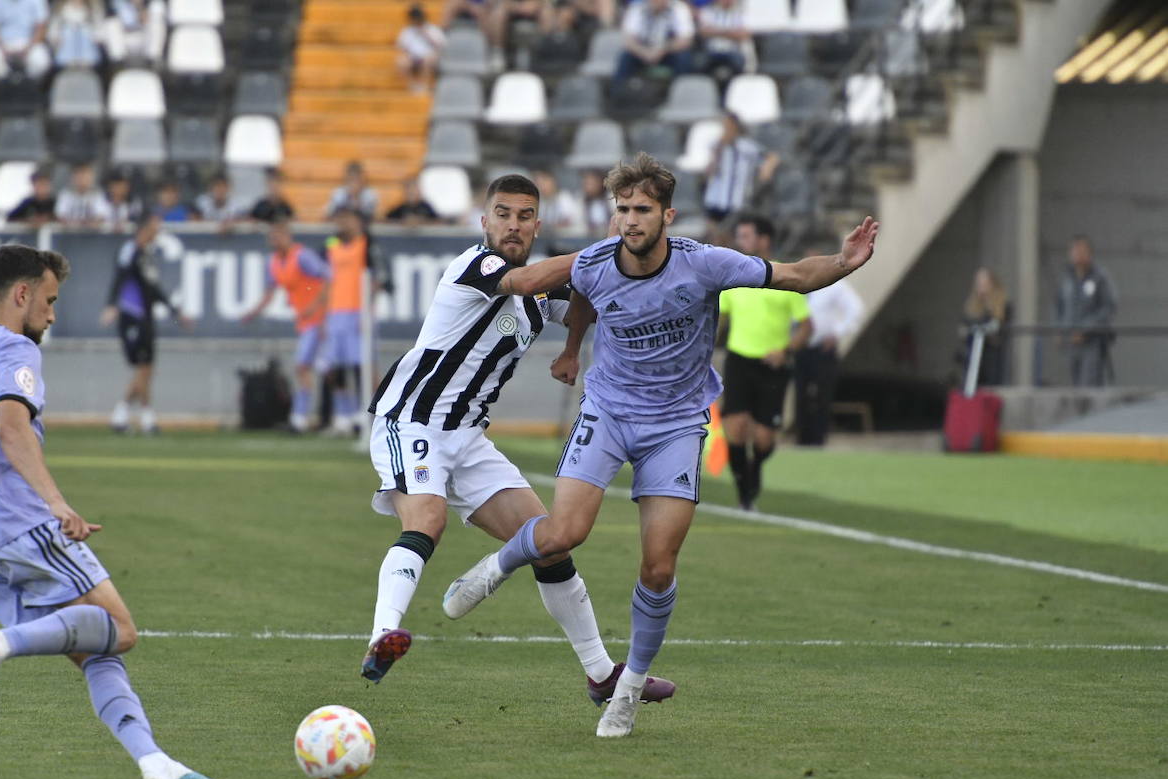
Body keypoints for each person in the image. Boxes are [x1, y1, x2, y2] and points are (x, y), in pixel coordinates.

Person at [443, 154, 877, 737]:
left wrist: (845, 262)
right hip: (609, 411)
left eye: (641, 210)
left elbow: (795, 275)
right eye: (621, 209)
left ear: (667, 214)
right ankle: (494, 568)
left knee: (658, 565)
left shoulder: (705, 264)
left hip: (675, 424)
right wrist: (569, 346)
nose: (629, 220)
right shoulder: (595, 261)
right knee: (563, 533)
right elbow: (531, 282)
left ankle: (626, 690)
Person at [0, 243, 226, 779]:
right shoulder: (14, 348)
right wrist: (58, 504)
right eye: (49, 299)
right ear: (21, 294)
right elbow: (12, 429)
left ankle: (155, 763)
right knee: (123, 630)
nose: (52, 314)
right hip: (18, 521)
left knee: (95, 651)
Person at [361, 173, 674, 713]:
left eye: (524, 216)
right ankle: (381, 637)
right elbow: (531, 283)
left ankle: (602, 676)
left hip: (466, 439)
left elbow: (587, 303)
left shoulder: (538, 287)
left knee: (550, 541)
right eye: (502, 214)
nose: (512, 224)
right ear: (484, 221)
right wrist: (613, 247)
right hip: (411, 423)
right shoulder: (476, 267)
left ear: (537, 224)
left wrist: (585, 335)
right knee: (427, 520)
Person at [719, 215, 811, 509]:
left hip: (773, 366)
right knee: (734, 429)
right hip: (739, 360)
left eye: (746, 236)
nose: (740, 242)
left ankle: (755, 467)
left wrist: (786, 351)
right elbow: (718, 318)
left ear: (764, 240)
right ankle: (744, 492)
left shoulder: (784, 276)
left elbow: (807, 326)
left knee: (763, 439)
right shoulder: (733, 278)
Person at [101, 212, 189, 435]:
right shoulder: (129, 250)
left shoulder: (148, 255)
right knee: (143, 366)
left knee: (146, 367)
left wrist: (175, 312)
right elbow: (119, 277)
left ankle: (128, 416)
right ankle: (140, 416)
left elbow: (154, 289)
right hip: (132, 314)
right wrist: (112, 305)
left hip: (146, 317)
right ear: (144, 229)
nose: (157, 231)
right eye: (154, 226)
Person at [242, 220, 332, 433]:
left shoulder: (302, 256)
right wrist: (252, 313)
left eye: (278, 236)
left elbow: (328, 278)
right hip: (305, 321)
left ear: (287, 236)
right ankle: (334, 418)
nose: (274, 241)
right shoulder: (273, 262)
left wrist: (317, 306)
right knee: (323, 370)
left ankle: (302, 418)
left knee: (305, 367)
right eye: (272, 237)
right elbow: (269, 292)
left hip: (321, 319)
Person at [797, 242, 865, 446]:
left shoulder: (835, 285)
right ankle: (802, 439)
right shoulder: (797, 283)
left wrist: (837, 333)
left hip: (823, 348)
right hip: (800, 347)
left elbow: (856, 309)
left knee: (821, 395)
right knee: (801, 395)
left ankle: (818, 439)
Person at [321, 207, 382, 435]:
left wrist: (368, 310)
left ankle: (363, 413)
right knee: (334, 367)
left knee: (360, 366)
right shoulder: (331, 245)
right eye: (339, 219)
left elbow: (375, 279)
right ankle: (343, 414)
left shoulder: (366, 245)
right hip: (336, 312)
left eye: (347, 219)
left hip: (357, 311)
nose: (343, 224)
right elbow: (327, 279)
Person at [1054, 235, 1117, 387]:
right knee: (1075, 385)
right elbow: (1058, 306)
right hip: (1071, 342)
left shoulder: (1100, 278)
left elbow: (1108, 307)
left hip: (1092, 342)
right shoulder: (1066, 278)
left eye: (1081, 251)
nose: (1077, 255)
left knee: (1089, 385)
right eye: (1074, 251)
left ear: (1089, 253)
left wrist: (1085, 330)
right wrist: (1058, 329)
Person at [702, 113, 777, 232]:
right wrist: (717, 153)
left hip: (737, 201)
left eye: (729, 127)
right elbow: (708, 172)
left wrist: (766, 169)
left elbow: (771, 157)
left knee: (733, 237)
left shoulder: (746, 147)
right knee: (714, 236)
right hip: (716, 199)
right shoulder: (716, 145)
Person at [614, 0, 696, 83]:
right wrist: (644, 52)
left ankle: (680, 90)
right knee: (626, 56)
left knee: (683, 57)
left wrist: (662, 50)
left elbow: (686, 40)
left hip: (668, 52)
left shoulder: (679, 8)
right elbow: (628, 40)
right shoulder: (637, 8)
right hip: (643, 51)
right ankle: (620, 90)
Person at [956, 266, 1006, 389]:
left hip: (991, 357)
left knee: (990, 388)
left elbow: (997, 327)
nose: (981, 287)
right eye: (978, 283)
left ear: (992, 284)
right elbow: (963, 328)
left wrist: (988, 304)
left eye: (984, 283)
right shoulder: (972, 305)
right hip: (973, 357)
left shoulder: (1000, 304)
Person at [0, 0, 51, 82]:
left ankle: (27, 84)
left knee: (40, 61)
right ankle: (6, 84)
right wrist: (2, 48)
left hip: (29, 44)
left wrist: (28, 48)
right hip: (3, 44)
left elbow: (41, 27)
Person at [697, 0, 751, 87]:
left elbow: (743, 35)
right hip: (712, 51)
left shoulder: (741, 13)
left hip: (732, 51)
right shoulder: (707, 11)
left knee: (739, 61)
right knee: (701, 63)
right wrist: (730, 32)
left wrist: (715, 31)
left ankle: (736, 89)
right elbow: (704, 33)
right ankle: (704, 90)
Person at [396, 4, 445, 94]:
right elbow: (402, 48)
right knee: (401, 62)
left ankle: (424, 85)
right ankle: (412, 86)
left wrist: (426, 35)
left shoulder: (432, 29)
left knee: (428, 59)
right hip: (413, 57)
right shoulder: (408, 31)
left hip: (429, 57)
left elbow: (440, 46)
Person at [49, 0, 105, 70]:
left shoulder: (94, 7)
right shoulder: (60, 7)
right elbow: (54, 27)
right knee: (67, 32)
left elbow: (99, 28)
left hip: (86, 44)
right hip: (66, 43)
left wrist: (97, 36)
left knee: (85, 31)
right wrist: (55, 37)